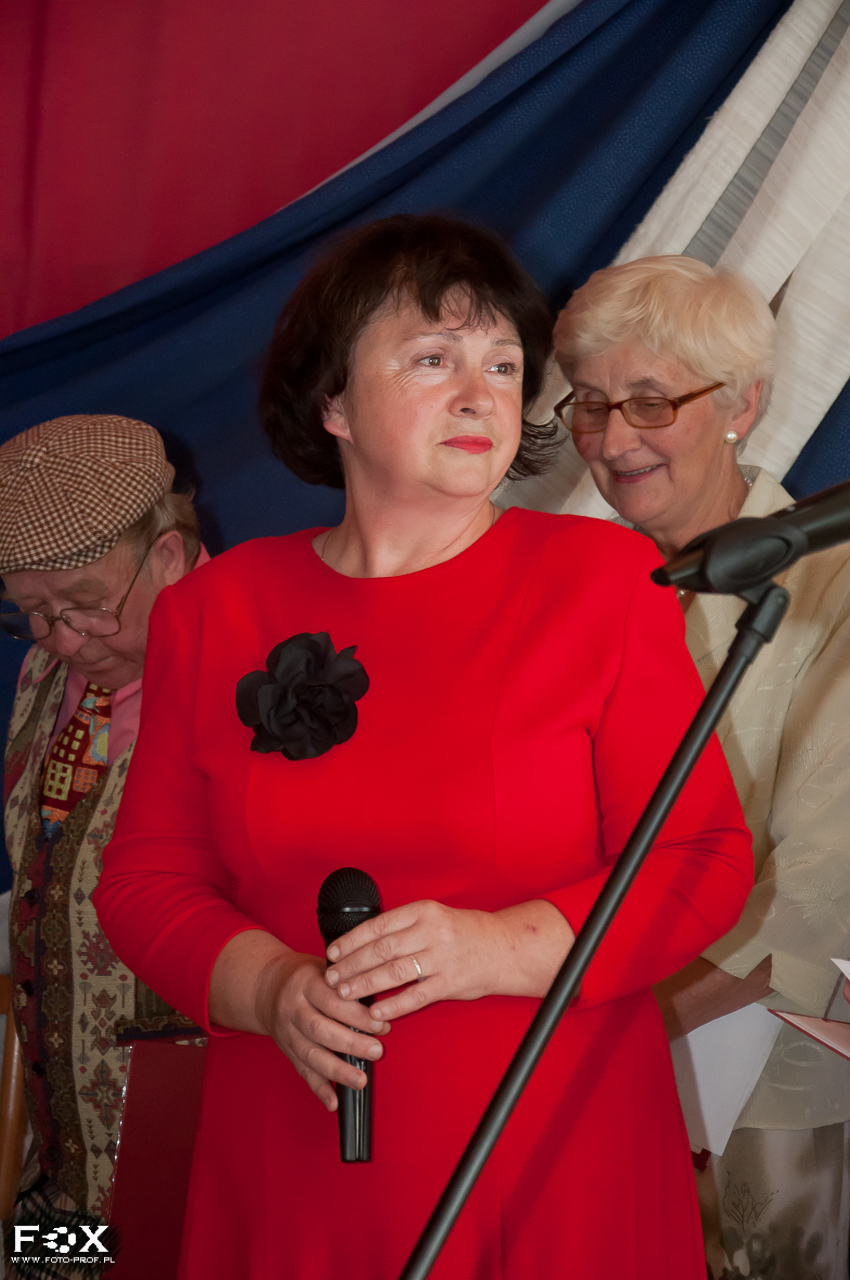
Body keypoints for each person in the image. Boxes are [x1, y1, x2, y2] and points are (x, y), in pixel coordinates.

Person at [93, 215, 751, 1280]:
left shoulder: (603, 583)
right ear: (333, 402)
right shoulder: (214, 610)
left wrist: (495, 948)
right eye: (433, 358)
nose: (482, 394)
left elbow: (702, 860)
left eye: (503, 364)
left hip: (551, 1151)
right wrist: (269, 987)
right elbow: (146, 881)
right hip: (294, 1147)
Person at [552, 255, 850, 1280]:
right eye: (590, 405)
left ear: (743, 404)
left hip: (766, 1093)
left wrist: (604, 1033)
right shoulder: (572, 596)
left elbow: (814, 898)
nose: (611, 441)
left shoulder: (833, 584)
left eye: (649, 402)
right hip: (589, 1059)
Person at [0, 415, 206, 1270]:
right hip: (64, 1165)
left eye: (87, 606)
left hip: (199, 1161)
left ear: (170, 554)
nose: (64, 641)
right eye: (32, 613)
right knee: (39, 1263)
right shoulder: (46, 671)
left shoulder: (261, 670)